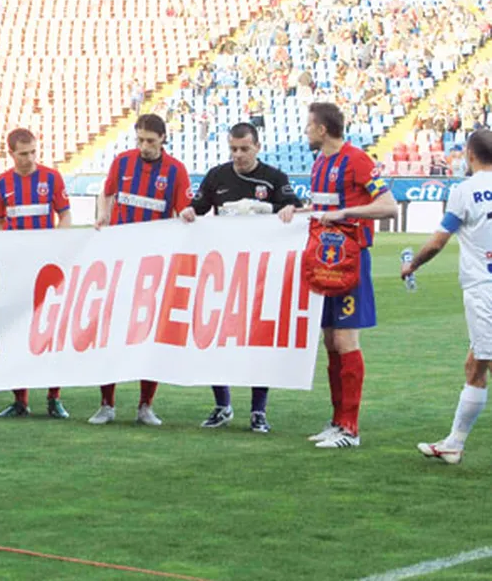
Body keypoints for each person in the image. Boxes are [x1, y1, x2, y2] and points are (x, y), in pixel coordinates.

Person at [279, 103, 396, 448]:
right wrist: (298, 210)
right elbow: (324, 210)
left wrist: (346, 212)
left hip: (350, 261)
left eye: (309, 126)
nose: (305, 131)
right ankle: (337, 420)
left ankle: (350, 428)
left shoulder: (356, 159)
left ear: (322, 129)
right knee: (331, 342)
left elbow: (388, 206)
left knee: (346, 341)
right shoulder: (320, 163)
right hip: (325, 263)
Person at [181, 121, 303, 433]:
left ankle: (258, 411)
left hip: (261, 272)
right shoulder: (217, 176)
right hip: (224, 271)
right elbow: (197, 208)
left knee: (258, 342)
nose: (238, 155)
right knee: (215, 337)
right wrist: (189, 212)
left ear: (257, 147)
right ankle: (222, 405)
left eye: (244, 149)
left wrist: (286, 209)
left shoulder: (274, 177)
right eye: (233, 149)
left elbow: (294, 208)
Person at [88, 114, 191, 427]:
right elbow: (106, 192)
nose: (144, 146)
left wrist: (188, 216)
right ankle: (107, 404)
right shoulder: (122, 162)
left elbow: (182, 211)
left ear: (163, 139)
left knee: (149, 335)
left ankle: (146, 406)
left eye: (150, 141)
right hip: (119, 261)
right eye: (140, 140)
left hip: (154, 266)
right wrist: (103, 215)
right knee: (111, 332)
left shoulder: (175, 171)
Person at [404, 130, 492, 464]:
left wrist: (412, 264)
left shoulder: (465, 191)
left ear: (470, 154)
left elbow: (438, 241)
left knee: (486, 360)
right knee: (475, 365)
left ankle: (454, 443)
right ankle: (454, 443)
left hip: (484, 288)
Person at [0, 128, 72, 419]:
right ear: (11, 154)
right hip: (16, 266)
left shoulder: (52, 178)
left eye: (34, 152)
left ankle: (54, 398)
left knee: (51, 331)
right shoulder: (1, 183)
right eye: (23, 154)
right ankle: (20, 400)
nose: (30, 158)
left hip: (47, 267)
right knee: (15, 332)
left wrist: (59, 242)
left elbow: (65, 215)